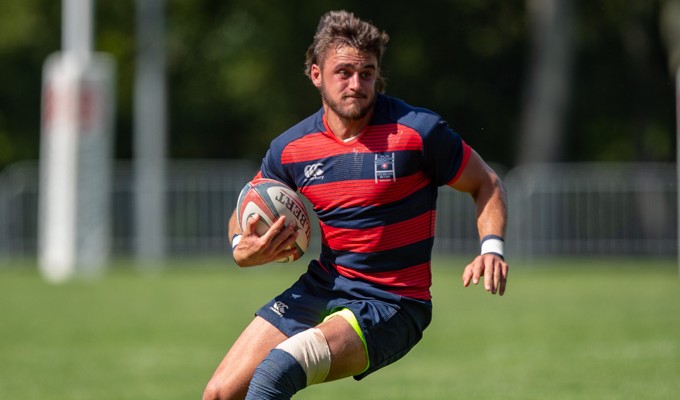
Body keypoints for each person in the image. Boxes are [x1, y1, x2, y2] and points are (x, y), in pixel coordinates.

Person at [203, 9, 509, 400]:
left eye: (367, 72)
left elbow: (486, 182)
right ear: (316, 74)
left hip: (394, 303)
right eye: (343, 72)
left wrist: (491, 247)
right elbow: (249, 203)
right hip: (325, 285)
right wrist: (240, 246)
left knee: (278, 370)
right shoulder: (291, 149)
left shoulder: (417, 132)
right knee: (219, 394)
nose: (357, 83)